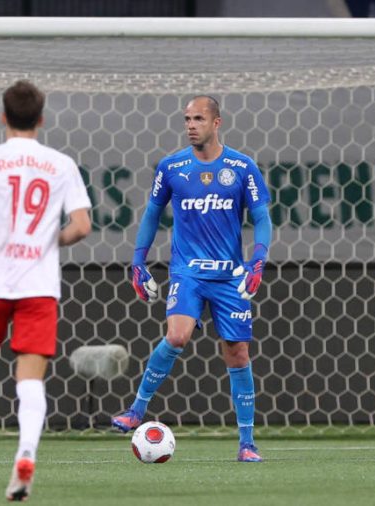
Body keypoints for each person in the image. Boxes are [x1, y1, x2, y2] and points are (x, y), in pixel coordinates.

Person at [0, 80, 92, 501]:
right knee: (31, 381)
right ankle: (25, 454)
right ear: (42, 119)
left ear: (3, 117)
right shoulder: (61, 164)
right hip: (38, 284)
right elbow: (82, 226)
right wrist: (54, 240)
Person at [111, 96, 273, 463]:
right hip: (186, 272)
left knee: (238, 352)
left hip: (229, 276)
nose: (190, 125)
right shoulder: (171, 168)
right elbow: (152, 215)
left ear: (217, 123)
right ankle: (136, 409)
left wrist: (258, 261)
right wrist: (138, 263)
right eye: (186, 118)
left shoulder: (242, 167)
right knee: (177, 335)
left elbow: (262, 217)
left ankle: (247, 443)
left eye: (198, 118)